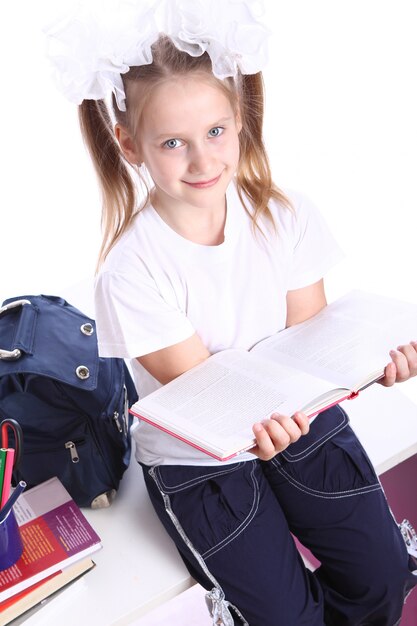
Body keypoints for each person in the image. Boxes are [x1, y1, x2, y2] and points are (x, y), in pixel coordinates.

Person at [46, 1, 417, 623]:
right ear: (130, 144)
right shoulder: (131, 269)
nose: (203, 161)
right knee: (284, 618)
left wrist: (367, 363)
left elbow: (311, 338)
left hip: (294, 422)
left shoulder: (285, 215)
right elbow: (210, 397)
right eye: (173, 143)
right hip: (202, 460)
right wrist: (287, 400)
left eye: (216, 132)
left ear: (239, 122)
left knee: (383, 575)